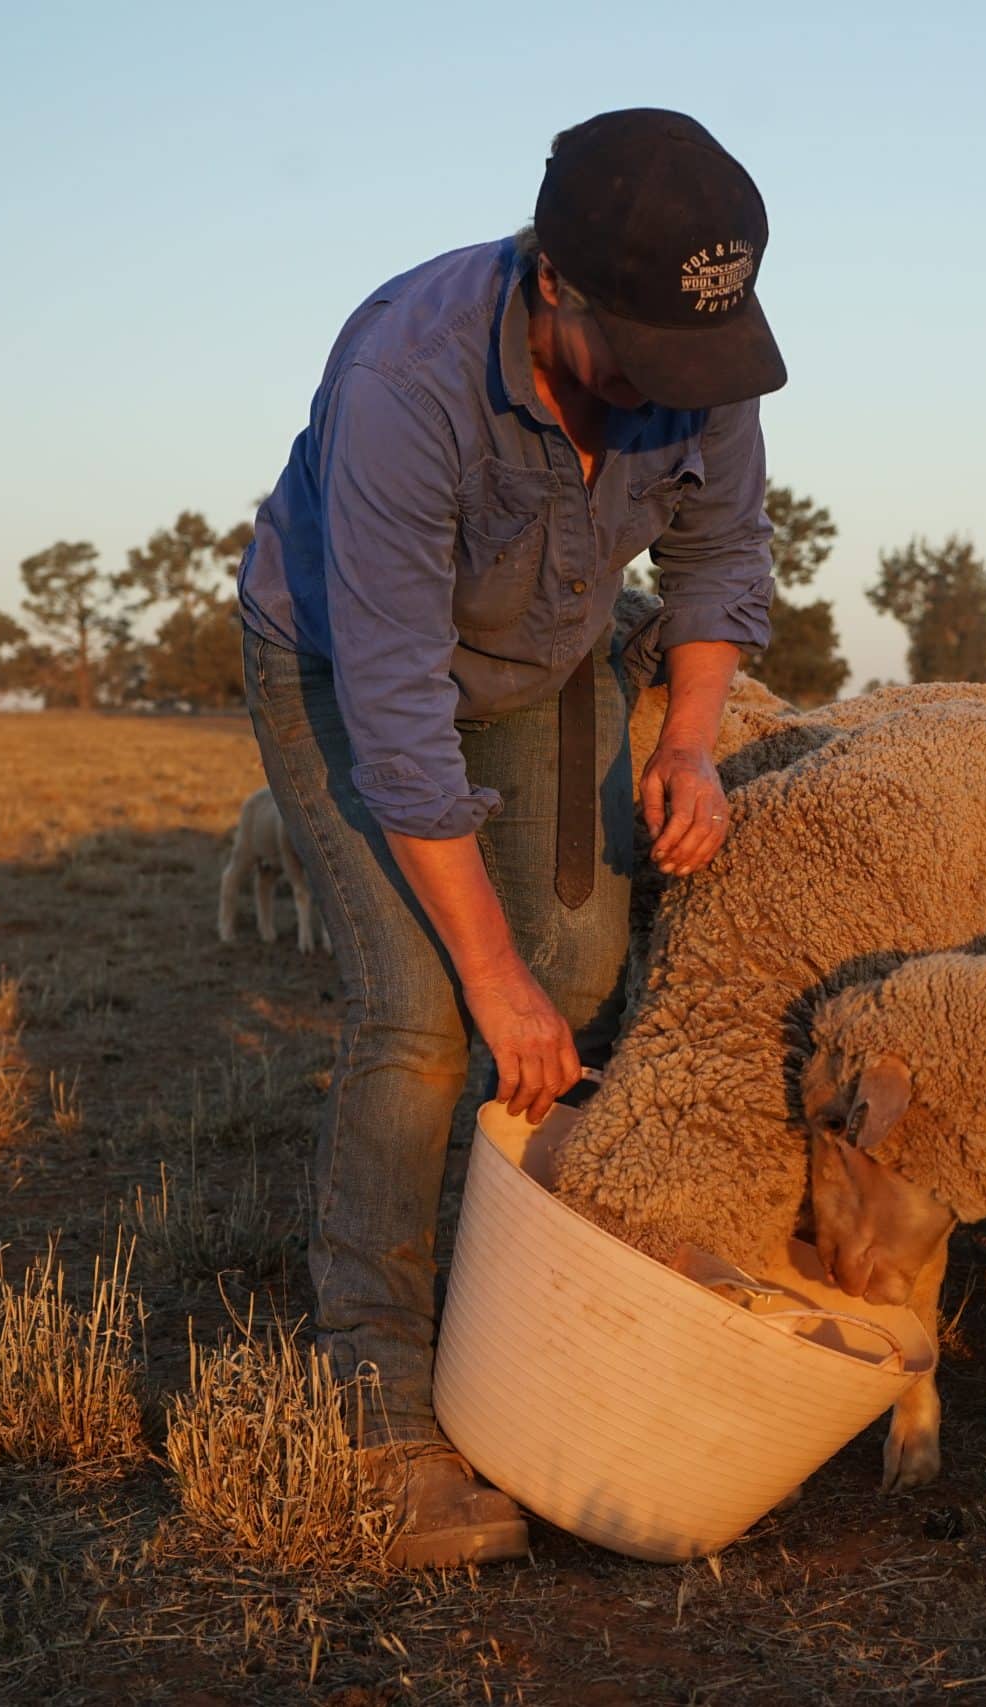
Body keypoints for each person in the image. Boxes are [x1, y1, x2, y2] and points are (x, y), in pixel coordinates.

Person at [234, 108, 784, 1567]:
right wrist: (489, 974)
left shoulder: (697, 350)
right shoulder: (407, 380)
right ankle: (376, 1407)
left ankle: (519, 1339)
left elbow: (721, 556)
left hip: (547, 663)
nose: (675, 389)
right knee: (425, 1015)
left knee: (581, 976)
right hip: (347, 674)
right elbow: (401, 725)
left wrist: (687, 742)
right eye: (641, 355)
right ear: (555, 284)